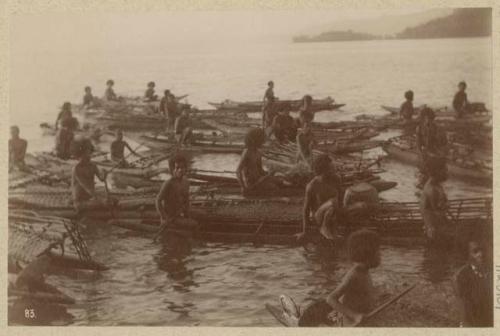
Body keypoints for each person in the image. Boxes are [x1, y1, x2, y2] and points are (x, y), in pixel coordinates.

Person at [296, 229, 381, 327]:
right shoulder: (354, 274)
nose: (380, 255)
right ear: (367, 253)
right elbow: (331, 299)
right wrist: (355, 316)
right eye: (378, 252)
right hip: (352, 324)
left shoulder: (365, 271)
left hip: (363, 318)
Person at [296, 154, 342, 242]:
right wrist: (305, 232)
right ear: (323, 170)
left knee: (335, 203)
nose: (333, 170)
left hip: (333, 214)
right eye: (331, 168)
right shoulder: (312, 185)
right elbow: (306, 209)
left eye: (333, 168)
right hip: (318, 217)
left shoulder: (336, 179)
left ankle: (331, 229)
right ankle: (324, 228)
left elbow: (341, 200)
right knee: (333, 201)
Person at [454, 239, 493, 327]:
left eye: (482, 250)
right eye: (475, 251)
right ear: (467, 255)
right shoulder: (461, 276)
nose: (481, 254)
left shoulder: (490, 271)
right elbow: (464, 310)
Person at [236, 128, 282, 195]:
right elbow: (238, 171)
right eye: (262, 139)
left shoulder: (258, 152)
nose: (263, 142)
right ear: (256, 139)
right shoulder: (247, 152)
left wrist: (270, 173)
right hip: (251, 183)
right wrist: (243, 187)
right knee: (274, 187)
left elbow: (261, 171)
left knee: (280, 180)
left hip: (259, 180)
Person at [155, 155, 190, 239]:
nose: (180, 170)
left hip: (178, 215)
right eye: (177, 168)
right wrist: (164, 217)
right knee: (194, 225)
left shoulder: (186, 182)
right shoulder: (168, 183)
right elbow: (158, 201)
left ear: (186, 168)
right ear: (172, 170)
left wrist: (186, 214)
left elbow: (186, 200)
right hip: (169, 217)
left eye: (182, 167)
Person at [71, 138, 108, 213]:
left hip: (90, 198)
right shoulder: (77, 168)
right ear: (80, 154)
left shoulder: (93, 165)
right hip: (80, 201)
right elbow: (86, 186)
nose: (89, 154)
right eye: (86, 152)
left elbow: (101, 179)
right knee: (104, 204)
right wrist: (99, 198)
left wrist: (104, 174)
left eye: (89, 152)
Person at [415, 107, 447, 188]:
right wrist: (421, 156)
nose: (426, 120)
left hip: (436, 157)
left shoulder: (438, 129)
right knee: (423, 184)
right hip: (426, 157)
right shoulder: (419, 128)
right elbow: (418, 145)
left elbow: (444, 144)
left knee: (435, 182)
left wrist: (439, 154)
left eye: (428, 118)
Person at [419, 156, 448, 244]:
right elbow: (437, 210)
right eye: (444, 170)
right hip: (434, 228)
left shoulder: (436, 185)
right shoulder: (432, 189)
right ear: (437, 172)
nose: (446, 173)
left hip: (435, 225)